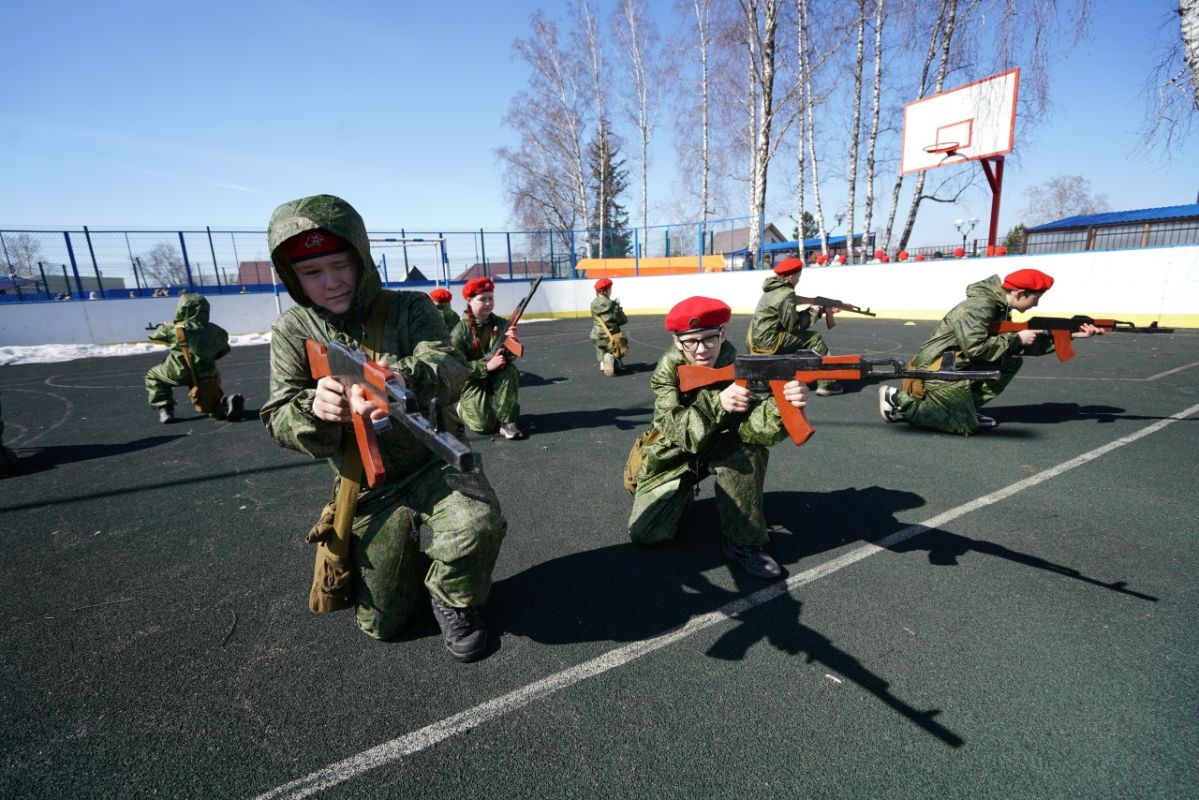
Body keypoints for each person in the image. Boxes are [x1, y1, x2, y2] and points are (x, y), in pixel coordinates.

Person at [261, 194, 507, 662]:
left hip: (434, 463)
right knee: (382, 624)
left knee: (475, 524)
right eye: (312, 273)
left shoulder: (409, 308)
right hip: (368, 485)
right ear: (293, 278)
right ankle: (413, 561)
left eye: (341, 265)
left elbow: (450, 365)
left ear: (362, 259)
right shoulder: (294, 330)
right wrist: (317, 407)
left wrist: (399, 379)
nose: (331, 282)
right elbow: (278, 415)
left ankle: (453, 598)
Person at [626, 296, 809, 579]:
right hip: (673, 454)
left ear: (722, 333)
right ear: (677, 341)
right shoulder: (667, 371)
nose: (701, 350)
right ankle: (681, 493)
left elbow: (756, 428)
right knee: (646, 533)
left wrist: (784, 403)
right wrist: (719, 403)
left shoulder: (740, 365)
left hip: (720, 446)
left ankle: (743, 542)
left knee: (748, 449)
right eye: (691, 342)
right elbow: (674, 429)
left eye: (709, 339)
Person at [877, 268, 1104, 435]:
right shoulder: (979, 307)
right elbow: (976, 349)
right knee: (964, 426)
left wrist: (1072, 335)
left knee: (1011, 360)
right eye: (1035, 299)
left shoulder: (999, 308)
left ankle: (966, 407)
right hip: (936, 368)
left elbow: (1017, 345)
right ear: (1020, 293)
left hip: (956, 363)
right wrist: (1017, 338)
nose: (1035, 305)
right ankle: (898, 400)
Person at [746, 257, 843, 396]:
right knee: (814, 338)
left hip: (755, 340)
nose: (799, 280)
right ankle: (827, 384)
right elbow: (794, 326)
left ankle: (762, 381)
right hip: (768, 342)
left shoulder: (772, 290)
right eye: (798, 276)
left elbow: (785, 319)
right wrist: (814, 311)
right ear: (791, 277)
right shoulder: (786, 293)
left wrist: (816, 309)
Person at [145, 292, 244, 423]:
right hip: (205, 372)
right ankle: (223, 405)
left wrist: (165, 326)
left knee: (153, 376)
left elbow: (154, 336)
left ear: (182, 309)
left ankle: (165, 409)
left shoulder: (175, 328)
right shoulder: (216, 330)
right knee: (209, 397)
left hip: (177, 371)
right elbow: (222, 350)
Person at [449, 277, 524, 440]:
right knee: (483, 426)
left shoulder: (501, 324)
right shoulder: (460, 332)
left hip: (496, 374)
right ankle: (463, 408)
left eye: (491, 298)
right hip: (471, 380)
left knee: (510, 371)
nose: (489, 303)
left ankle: (508, 422)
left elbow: (510, 358)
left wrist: (513, 342)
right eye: (482, 299)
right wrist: (486, 367)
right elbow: (454, 367)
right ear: (469, 300)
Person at [589, 277, 628, 376]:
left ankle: (603, 362)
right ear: (606, 291)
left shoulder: (593, 304)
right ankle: (613, 360)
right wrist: (618, 307)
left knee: (600, 347)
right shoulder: (612, 305)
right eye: (610, 289)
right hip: (611, 337)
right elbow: (622, 320)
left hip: (596, 336)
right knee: (618, 345)